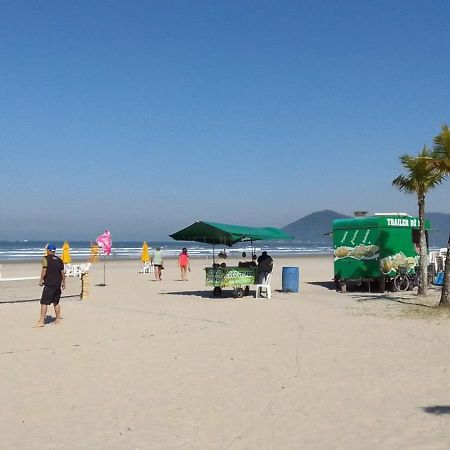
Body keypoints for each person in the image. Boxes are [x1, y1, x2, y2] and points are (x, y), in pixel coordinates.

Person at [35, 243, 65, 327]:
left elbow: (44, 270)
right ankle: (58, 319)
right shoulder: (59, 260)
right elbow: (62, 273)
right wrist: (64, 283)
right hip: (57, 284)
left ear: (48, 250)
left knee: (44, 302)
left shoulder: (45, 259)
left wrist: (41, 280)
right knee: (56, 302)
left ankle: (41, 321)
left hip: (49, 284)